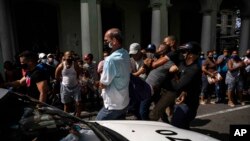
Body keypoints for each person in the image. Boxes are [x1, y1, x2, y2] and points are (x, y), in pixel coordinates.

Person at [96, 28, 131, 120]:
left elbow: (103, 84)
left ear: (114, 41)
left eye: (106, 41)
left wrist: (99, 78)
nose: (105, 43)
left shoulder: (110, 60)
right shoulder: (125, 53)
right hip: (124, 103)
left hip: (113, 105)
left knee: (98, 126)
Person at [170, 42, 202, 129]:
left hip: (187, 105)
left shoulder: (194, 69)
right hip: (181, 101)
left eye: (184, 51)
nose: (182, 53)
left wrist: (172, 74)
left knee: (177, 128)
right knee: (182, 128)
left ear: (191, 55)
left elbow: (177, 86)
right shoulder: (183, 64)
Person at [55, 51, 82, 117]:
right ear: (64, 57)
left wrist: (76, 79)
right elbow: (56, 75)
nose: (70, 57)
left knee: (78, 103)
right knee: (66, 105)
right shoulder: (61, 65)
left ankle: (78, 118)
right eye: (68, 56)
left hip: (75, 86)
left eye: (71, 56)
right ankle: (66, 119)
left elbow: (78, 72)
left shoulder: (75, 64)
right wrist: (62, 81)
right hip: (65, 87)